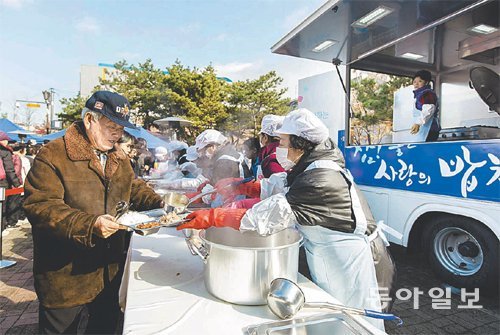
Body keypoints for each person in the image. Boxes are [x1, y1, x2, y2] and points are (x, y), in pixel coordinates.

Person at [178, 108, 396, 331]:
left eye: (282, 141)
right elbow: (280, 184)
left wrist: (212, 216)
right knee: (333, 319)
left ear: (300, 143)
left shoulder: (320, 178)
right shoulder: (311, 165)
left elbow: (263, 218)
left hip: (354, 263)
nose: (278, 147)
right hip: (333, 257)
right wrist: (243, 185)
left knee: (354, 324)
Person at [24, 91, 164, 334]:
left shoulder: (118, 155)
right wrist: (90, 225)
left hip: (109, 272)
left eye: (121, 129)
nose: (118, 134)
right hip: (66, 276)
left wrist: (160, 205)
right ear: (89, 120)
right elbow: (42, 206)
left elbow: (132, 188)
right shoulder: (53, 154)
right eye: (111, 126)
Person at [410, 70, 440, 142]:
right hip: (423, 128)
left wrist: (418, 123)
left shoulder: (427, 94)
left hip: (430, 129)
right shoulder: (419, 95)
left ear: (426, 82)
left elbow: (429, 109)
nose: (416, 84)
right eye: (414, 82)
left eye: (420, 81)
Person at [0, 132, 22, 229]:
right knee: (2, 207)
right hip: (2, 182)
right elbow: (9, 170)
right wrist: (17, 184)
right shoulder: (5, 151)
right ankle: (2, 226)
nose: (7, 142)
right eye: (5, 140)